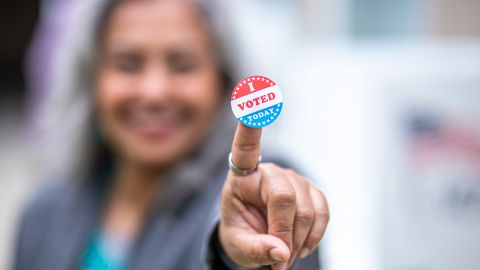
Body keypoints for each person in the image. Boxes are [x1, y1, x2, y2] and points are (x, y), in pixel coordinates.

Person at [15, 0, 329, 269]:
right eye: (128, 64)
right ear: (91, 81)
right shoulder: (45, 213)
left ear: (222, 80)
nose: (154, 92)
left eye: (182, 65)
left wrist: (237, 257)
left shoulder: (259, 193)